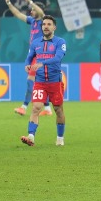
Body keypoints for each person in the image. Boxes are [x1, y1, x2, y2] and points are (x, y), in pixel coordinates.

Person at [20, 15, 67, 147]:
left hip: (55, 82)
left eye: (49, 24)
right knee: (36, 108)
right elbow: (29, 57)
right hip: (40, 82)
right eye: (44, 24)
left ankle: (60, 138)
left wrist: (42, 63)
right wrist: (27, 64)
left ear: (54, 27)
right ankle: (31, 137)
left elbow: (58, 58)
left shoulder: (60, 42)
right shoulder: (35, 43)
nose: (46, 26)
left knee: (58, 110)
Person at [5, 0, 53, 117]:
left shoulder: (43, 21)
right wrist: (8, 3)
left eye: (33, 10)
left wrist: (30, 1)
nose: (31, 11)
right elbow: (17, 14)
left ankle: (24, 107)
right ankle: (47, 109)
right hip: (35, 55)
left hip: (41, 56)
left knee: (30, 81)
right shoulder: (32, 21)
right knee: (39, 83)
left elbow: (41, 12)